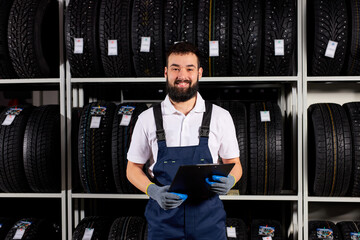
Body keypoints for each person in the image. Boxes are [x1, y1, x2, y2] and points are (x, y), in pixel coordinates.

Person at [126, 42, 242, 240]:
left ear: (199, 73)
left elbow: (235, 164)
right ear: (166, 72)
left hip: (209, 223)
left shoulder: (220, 117)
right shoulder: (147, 119)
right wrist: (152, 190)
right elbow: (132, 168)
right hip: (164, 224)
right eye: (175, 68)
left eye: (189, 68)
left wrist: (231, 180)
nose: (182, 76)